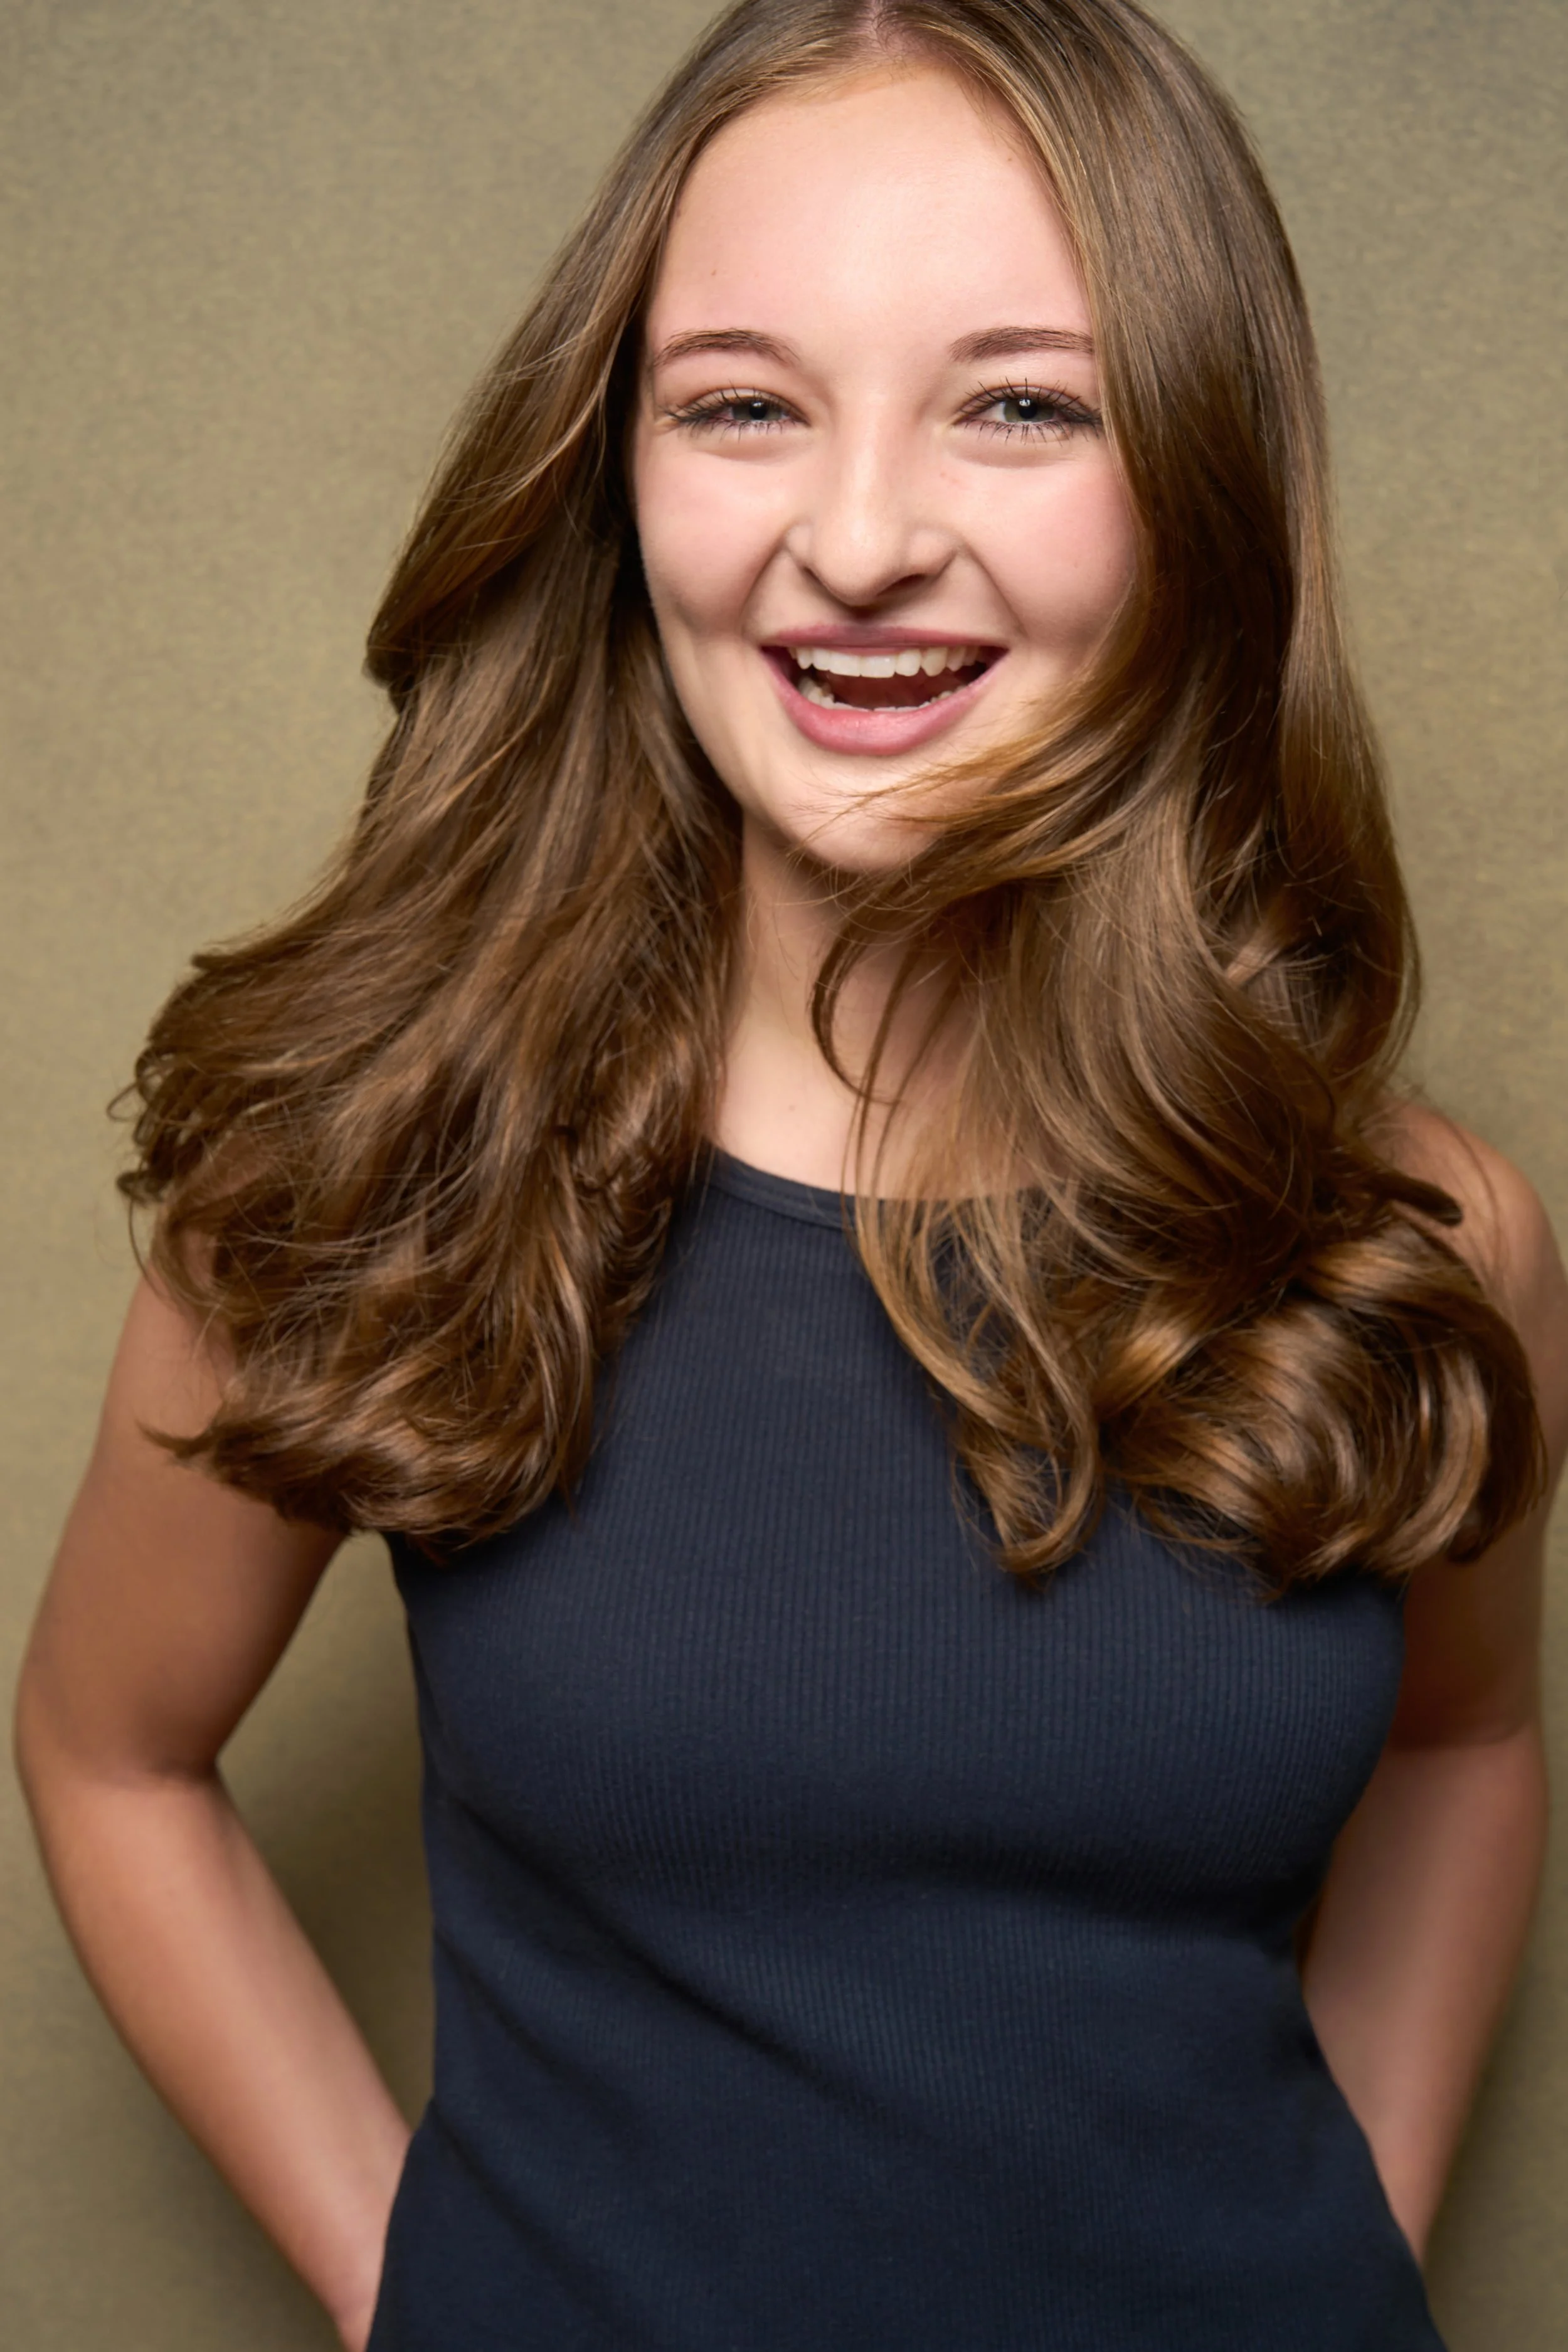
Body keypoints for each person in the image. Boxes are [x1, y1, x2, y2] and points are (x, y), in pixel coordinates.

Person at [15, 0, 1567, 2344]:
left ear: (1204, 473)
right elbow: (105, 1747)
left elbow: (1464, 1739)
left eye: (1019, 403)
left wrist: (1352, 2226)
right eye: (741, 402)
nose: (857, 539)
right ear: (613, 475)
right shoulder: (374, 1189)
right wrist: (412, 2278)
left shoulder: (1414, 1239)